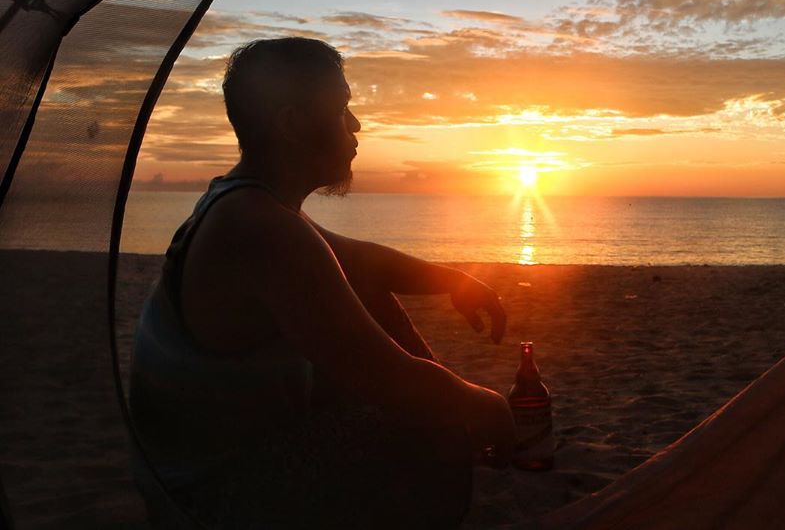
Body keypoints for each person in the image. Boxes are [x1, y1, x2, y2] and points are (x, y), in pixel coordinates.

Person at [128, 37, 514, 528]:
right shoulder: (260, 227)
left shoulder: (248, 204)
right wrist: (489, 406)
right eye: (342, 109)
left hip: (203, 464)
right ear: (292, 123)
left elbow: (361, 260)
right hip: (210, 498)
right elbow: (392, 379)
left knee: (368, 291)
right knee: (434, 418)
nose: (355, 126)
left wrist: (459, 282)